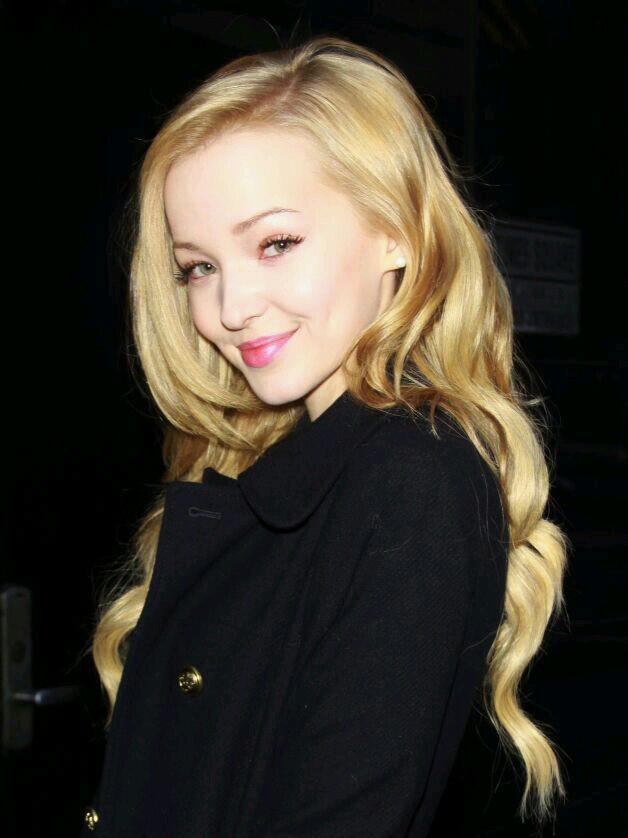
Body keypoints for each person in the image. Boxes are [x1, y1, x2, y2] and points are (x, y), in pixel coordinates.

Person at [78, 35, 569, 837]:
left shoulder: (411, 478)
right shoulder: (286, 465)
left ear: (397, 230)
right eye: (198, 266)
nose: (231, 307)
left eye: (276, 244)